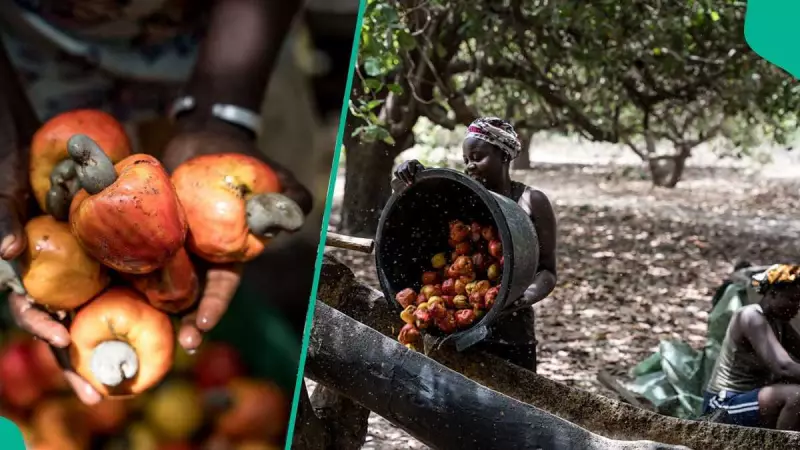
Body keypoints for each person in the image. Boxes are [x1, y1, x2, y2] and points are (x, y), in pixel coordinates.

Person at [0, 0, 359, 405]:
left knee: (285, 234)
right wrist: (6, 137)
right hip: (35, 61)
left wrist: (226, 114)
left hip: (237, 46)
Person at [393, 117, 558, 372]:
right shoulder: (462, 197)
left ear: (504, 155)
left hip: (513, 335)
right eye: (466, 159)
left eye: (478, 157)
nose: (470, 165)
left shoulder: (531, 201)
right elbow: (421, 204)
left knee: (515, 394)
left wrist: (521, 296)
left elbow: (547, 271)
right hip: (459, 334)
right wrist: (412, 174)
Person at [703, 264, 800, 430]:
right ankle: (779, 443)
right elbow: (783, 367)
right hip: (723, 403)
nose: (797, 307)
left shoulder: (779, 322)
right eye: (792, 299)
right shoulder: (750, 316)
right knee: (796, 396)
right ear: (772, 294)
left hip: (749, 401)